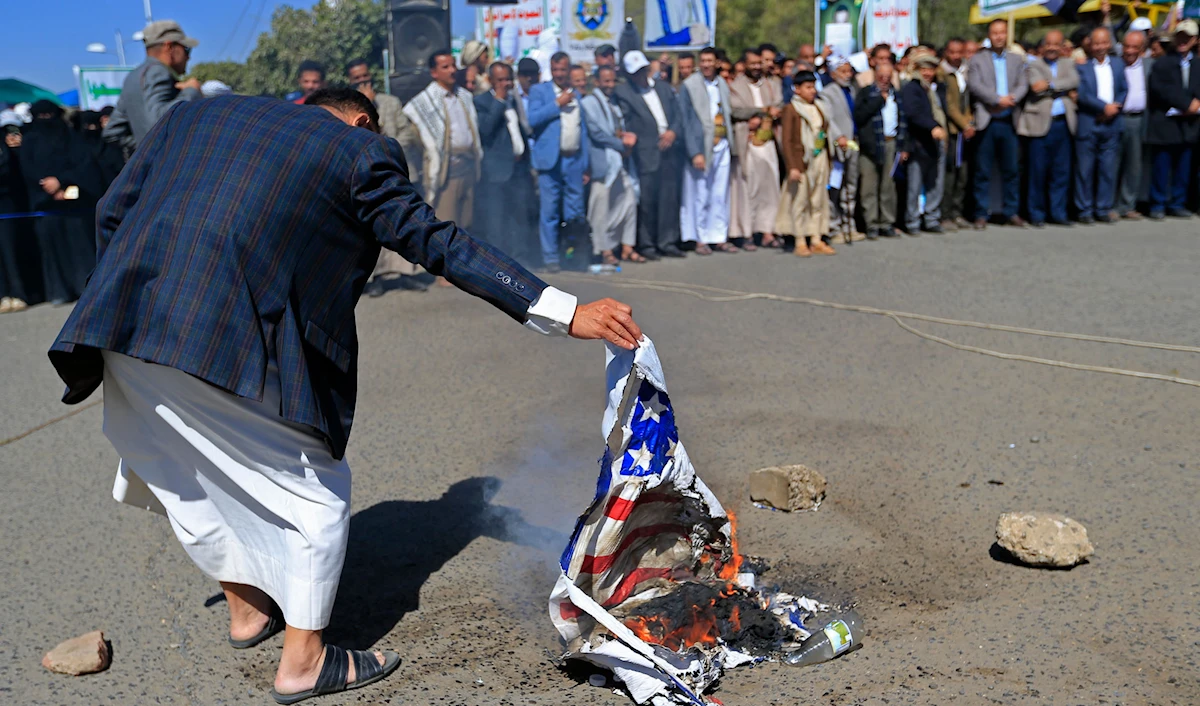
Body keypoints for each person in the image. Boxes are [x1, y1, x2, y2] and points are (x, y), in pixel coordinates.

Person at [47, 86, 642, 705]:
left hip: (123, 321)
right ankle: (304, 664)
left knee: (188, 474)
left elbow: (112, 210)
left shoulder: (195, 112)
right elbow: (435, 240)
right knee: (316, 494)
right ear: (362, 121)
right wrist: (561, 309)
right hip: (224, 336)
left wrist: (118, 294)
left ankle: (246, 611)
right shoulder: (358, 151)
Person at [614, 50, 686, 259]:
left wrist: (673, 132)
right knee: (647, 201)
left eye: (643, 70)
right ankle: (647, 244)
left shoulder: (663, 89)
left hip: (669, 149)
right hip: (646, 152)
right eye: (635, 73)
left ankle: (668, 241)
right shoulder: (625, 93)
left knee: (669, 198)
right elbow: (628, 122)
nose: (640, 75)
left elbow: (678, 115)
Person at [403, 50, 482, 230]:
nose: (452, 70)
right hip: (447, 176)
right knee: (447, 228)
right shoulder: (424, 102)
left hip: (468, 170)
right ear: (434, 72)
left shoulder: (464, 96)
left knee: (468, 225)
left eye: (453, 65)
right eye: (445, 67)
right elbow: (418, 142)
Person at [528, 53, 590, 271]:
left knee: (575, 212)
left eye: (563, 70)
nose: (560, 74)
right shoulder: (539, 91)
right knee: (550, 212)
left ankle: (572, 255)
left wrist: (586, 163)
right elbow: (532, 119)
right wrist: (557, 104)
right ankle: (551, 258)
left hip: (573, 160)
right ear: (551, 70)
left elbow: (583, 131)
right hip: (549, 161)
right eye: (556, 70)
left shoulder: (577, 95)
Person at [473, 62, 538, 267]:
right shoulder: (482, 101)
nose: (505, 84)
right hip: (496, 172)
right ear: (491, 81)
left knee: (519, 217)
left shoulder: (515, 99)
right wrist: (498, 101)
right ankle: (497, 265)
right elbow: (486, 130)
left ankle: (521, 260)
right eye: (500, 80)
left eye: (508, 79)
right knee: (496, 221)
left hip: (518, 170)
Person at [102, 20, 201, 153]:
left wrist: (143, 146)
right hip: (171, 164)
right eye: (186, 49)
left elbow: (112, 131)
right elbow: (158, 120)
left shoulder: (133, 77)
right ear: (169, 47)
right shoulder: (158, 72)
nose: (188, 57)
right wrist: (191, 91)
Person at [967, 18, 1029, 229]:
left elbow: (1023, 83)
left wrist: (1011, 98)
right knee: (982, 170)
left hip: (1009, 120)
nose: (999, 37)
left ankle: (1011, 211)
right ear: (989, 35)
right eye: (995, 33)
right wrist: (996, 99)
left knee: (1011, 169)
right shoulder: (977, 59)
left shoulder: (1016, 59)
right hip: (987, 119)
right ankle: (980, 213)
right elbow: (975, 85)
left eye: (1002, 33)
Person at [679, 46, 736, 254]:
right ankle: (700, 238)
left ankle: (718, 236)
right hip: (701, 146)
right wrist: (695, 152)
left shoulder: (721, 83)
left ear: (716, 63)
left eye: (709, 61)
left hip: (721, 143)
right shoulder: (690, 85)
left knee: (720, 192)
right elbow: (685, 121)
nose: (706, 64)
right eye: (702, 61)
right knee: (700, 193)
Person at [581, 66, 640, 265]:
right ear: (597, 81)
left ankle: (626, 246)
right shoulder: (589, 103)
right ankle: (604, 249)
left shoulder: (613, 103)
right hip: (602, 162)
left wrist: (625, 139)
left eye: (613, 81)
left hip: (619, 161)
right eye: (606, 81)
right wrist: (621, 145)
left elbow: (617, 129)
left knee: (629, 200)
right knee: (600, 208)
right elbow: (597, 133)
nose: (610, 85)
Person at [1018, 30, 1078, 227]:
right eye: (1048, 44)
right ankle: (1036, 214)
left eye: (1056, 44)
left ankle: (1058, 213)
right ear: (1042, 46)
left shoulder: (1068, 63)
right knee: (1038, 172)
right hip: (1040, 124)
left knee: (1061, 172)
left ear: (1062, 47)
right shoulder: (1033, 64)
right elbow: (1036, 86)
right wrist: (1062, 88)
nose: (1052, 48)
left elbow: (1074, 81)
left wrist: (1050, 84)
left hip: (1063, 123)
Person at [728, 48, 784, 250]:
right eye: (752, 64)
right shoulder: (736, 86)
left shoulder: (772, 84)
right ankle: (747, 231)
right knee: (748, 187)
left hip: (767, 141)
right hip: (747, 143)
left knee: (770, 186)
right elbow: (735, 110)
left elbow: (778, 104)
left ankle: (768, 230)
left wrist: (767, 115)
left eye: (759, 63)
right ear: (744, 65)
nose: (756, 67)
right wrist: (760, 112)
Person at [1145, 20, 1200, 219]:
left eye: (1188, 37)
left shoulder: (1197, 64)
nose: (1183, 41)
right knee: (1162, 166)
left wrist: (1195, 105)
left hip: (1189, 124)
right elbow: (1161, 89)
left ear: (1195, 40)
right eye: (1180, 36)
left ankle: (1178, 202)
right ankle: (1157, 203)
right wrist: (1186, 104)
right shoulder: (1163, 63)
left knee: (1184, 167)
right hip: (1165, 123)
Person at [777, 71, 834, 256]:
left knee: (818, 199)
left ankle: (816, 237)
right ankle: (800, 239)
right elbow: (787, 141)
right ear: (797, 89)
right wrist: (792, 166)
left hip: (820, 157)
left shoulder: (819, 107)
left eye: (813, 87)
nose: (812, 91)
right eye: (808, 88)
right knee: (799, 200)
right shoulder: (791, 109)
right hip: (802, 159)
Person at [1075, 27, 1127, 224]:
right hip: (1090, 121)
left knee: (1107, 169)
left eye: (1103, 43)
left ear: (1109, 44)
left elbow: (1124, 89)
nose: (1100, 47)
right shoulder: (1081, 67)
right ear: (1090, 44)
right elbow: (1083, 95)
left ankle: (1103, 208)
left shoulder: (1118, 64)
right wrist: (1104, 107)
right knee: (1084, 170)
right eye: (1096, 43)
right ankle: (1084, 209)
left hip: (1112, 123)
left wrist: (1114, 108)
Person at [855, 57, 906, 239]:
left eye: (888, 76)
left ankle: (887, 222)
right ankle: (871, 223)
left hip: (891, 142)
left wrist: (903, 146)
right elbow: (859, 117)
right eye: (881, 76)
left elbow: (903, 120)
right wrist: (878, 101)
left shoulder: (897, 94)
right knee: (869, 186)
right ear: (875, 76)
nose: (885, 79)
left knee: (888, 186)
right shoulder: (866, 93)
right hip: (870, 144)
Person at [899, 51, 948, 235]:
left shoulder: (934, 88)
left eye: (931, 69)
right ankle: (912, 221)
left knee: (935, 182)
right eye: (924, 69)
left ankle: (932, 218)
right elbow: (913, 113)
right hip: (918, 141)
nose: (927, 73)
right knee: (914, 184)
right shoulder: (912, 88)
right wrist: (932, 126)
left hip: (936, 142)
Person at [821, 55, 863, 243]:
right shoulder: (827, 92)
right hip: (839, 145)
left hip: (854, 142)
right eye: (843, 71)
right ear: (833, 73)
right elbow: (828, 119)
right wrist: (839, 137)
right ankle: (833, 226)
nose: (847, 75)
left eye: (849, 71)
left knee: (850, 186)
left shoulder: (852, 90)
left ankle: (849, 226)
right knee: (835, 187)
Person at [1115, 30, 1151, 220]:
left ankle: (1127, 205)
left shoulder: (1149, 66)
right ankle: (1110, 205)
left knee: (1134, 164)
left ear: (1142, 49)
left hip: (1138, 120)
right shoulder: (1114, 64)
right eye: (1126, 46)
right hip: (1116, 118)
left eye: (1134, 47)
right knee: (1112, 163)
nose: (1129, 50)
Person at [939, 37, 973, 231]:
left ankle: (957, 211)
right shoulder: (942, 73)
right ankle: (945, 214)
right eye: (952, 52)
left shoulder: (965, 71)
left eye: (960, 52)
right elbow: (949, 105)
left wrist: (969, 122)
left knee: (963, 173)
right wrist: (963, 124)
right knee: (950, 172)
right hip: (952, 129)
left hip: (964, 129)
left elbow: (967, 100)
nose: (956, 56)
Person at [0, 116, 30, 313]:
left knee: (10, 250)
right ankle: (3, 295)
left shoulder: (5, 145)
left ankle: (18, 293)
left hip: (6, 206)